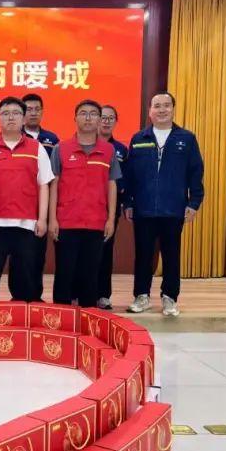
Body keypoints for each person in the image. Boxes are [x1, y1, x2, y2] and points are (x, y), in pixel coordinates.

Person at [123, 92, 204, 317]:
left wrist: (194, 202)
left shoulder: (186, 138)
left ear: (173, 109)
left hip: (173, 208)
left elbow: (196, 172)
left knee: (171, 255)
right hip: (144, 208)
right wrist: (128, 202)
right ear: (150, 111)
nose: (162, 110)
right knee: (143, 255)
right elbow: (130, 175)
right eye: (157, 106)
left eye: (166, 105)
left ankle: (170, 298)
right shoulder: (139, 138)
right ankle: (141, 296)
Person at [0, 96, 54, 302]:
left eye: (16, 113)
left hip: (26, 224)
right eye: (5, 114)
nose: (11, 118)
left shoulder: (37, 148)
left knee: (25, 279)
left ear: (24, 118)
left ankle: (23, 316)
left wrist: (42, 219)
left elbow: (44, 185)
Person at [48, 100, 119, 308]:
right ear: (75, 118)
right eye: (83, 113)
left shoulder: (108, 150)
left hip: (96, 222)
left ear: (99, 119)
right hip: (66, 221)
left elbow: (112, 185)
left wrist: (110, 219)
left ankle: (89, 317)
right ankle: (59, 318)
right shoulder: (61, 148)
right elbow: (54, 185)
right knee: (65, 272)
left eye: (93, 114)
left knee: (90, 274)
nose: (88, 118)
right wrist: (52, 219)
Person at [18, 93, 60, 301]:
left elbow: (56, 175)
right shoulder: (14, 137)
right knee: (19, 253)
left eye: (37, 109)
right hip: (20, 203)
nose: (33, 113)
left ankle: (36, 295)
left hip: (43, 203)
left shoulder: (52, 140)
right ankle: (18, 295)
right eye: (28, 109)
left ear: (42, 112)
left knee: (38, 253)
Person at [95, 104, 129, 309]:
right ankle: (81, 293)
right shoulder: (87, 144)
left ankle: (103, 295)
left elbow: (126, 178)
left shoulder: (121, 150)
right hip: (87, 207)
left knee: (106, 251)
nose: (106, 122)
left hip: (110, 208)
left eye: (110, 118)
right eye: (103, 117)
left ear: (116, 122)